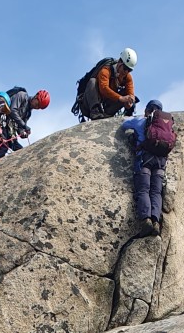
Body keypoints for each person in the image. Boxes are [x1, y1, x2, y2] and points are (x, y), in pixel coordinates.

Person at [123, 99, 176, 235]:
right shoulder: (168, 127)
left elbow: (124, 124)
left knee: (143, 190)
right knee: (156, 192)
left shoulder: (141, 121)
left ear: (147, 110)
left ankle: (146, 219)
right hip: (160, 163)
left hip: (144, 160)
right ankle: (156, 221)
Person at [72, 49, 138, 121]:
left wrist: (129, 102)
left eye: (129, 70)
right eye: (125, 68)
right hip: (88, 105)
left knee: (127, 96)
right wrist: (121, 98)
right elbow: (104, 89)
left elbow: (131, 94)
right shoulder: (105, 70)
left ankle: (112, 114)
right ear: (120, 62)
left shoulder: (127, 77)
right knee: (92, 81)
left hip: (105, 107)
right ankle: (95, 112)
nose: (126, 72)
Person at [0, 88, 50, 158]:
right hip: (1, 121)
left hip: (10, 130)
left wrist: (23, 133)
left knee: (20, 150)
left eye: (39, 107)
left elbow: (20, 129)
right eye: (37, 104)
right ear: (36, 96)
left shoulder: (28, 113)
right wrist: (24, 126)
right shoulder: (22, 95)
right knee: (4, 146)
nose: (36, 107)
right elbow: (12, 111)